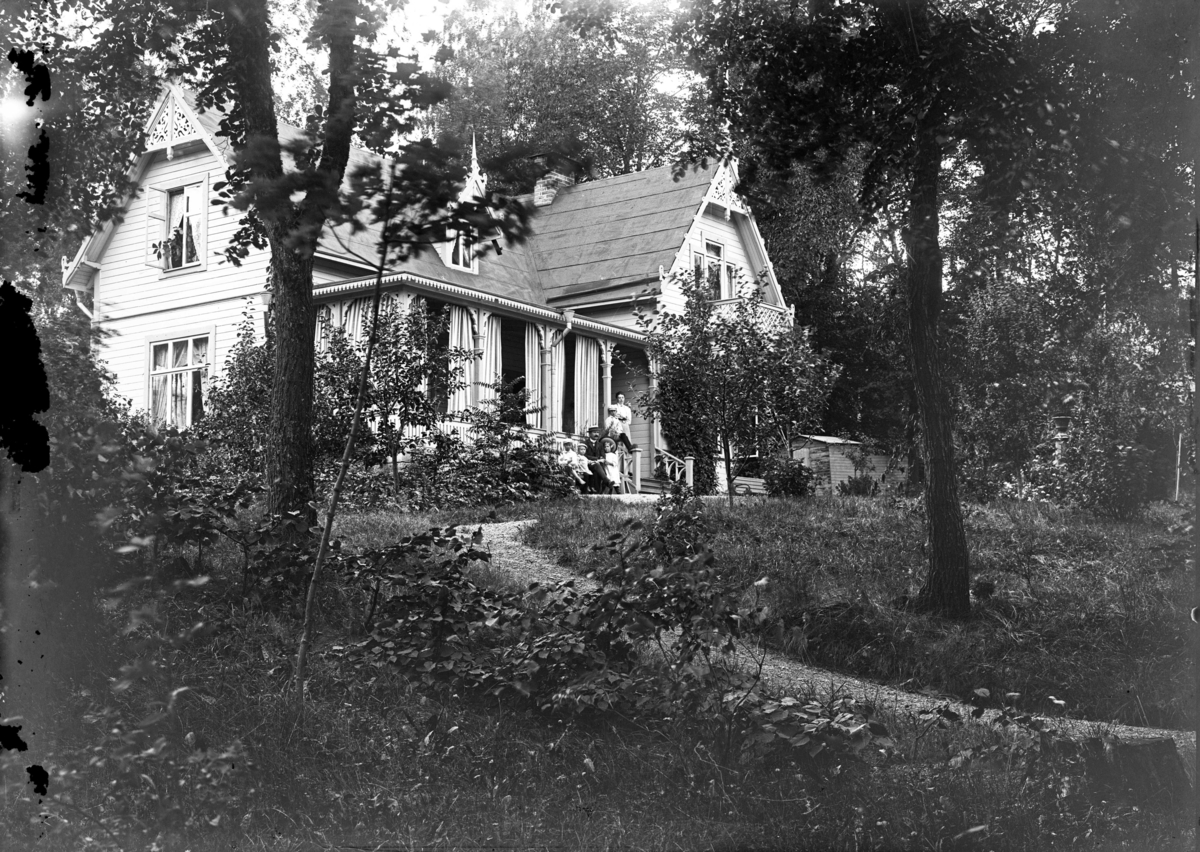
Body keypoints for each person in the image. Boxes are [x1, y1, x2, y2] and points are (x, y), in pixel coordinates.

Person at [582, 426, 608, 493]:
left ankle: (598, 492)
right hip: (587, 464)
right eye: (594, 432)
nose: (596, 434)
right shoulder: (585, 443)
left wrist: (601, 458)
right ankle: (606, 480)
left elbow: (603, 455)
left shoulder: (600, 444)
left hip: (598, 465)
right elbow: (584, 455)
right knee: (597, 467)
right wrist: (596, 459)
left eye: (597, 432)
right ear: (590, 434)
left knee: (598, 472)